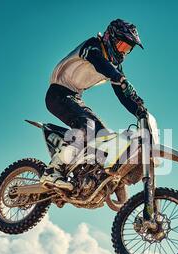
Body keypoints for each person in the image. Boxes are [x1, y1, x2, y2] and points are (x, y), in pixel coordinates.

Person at [42, 19, 148, 191]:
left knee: (104, 137)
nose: (124, 52)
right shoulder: (93, 46)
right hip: (57, 93)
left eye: (128, 49)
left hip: (74, 97)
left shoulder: (115, 67)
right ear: (111, 37)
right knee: (87, 126)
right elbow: (99, 62)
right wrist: (118, 77)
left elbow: (123, 95)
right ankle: (53, 169)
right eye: (122, 46)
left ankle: (89, 179)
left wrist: (140, 110)